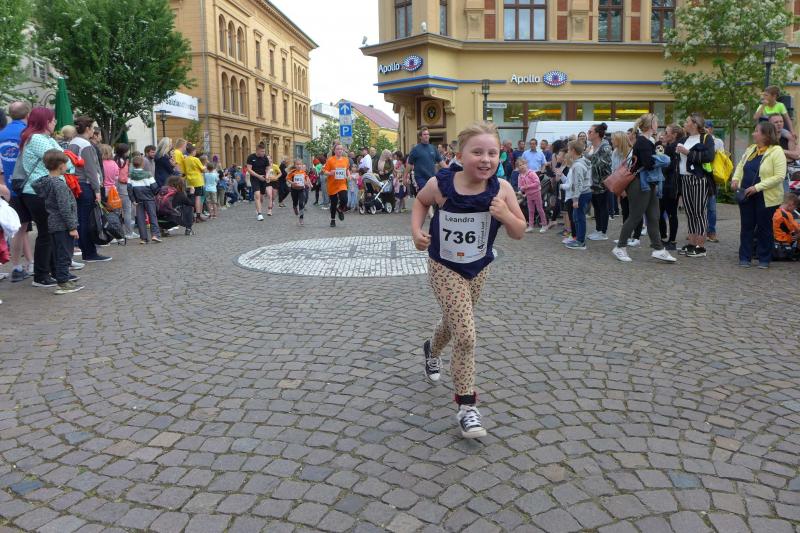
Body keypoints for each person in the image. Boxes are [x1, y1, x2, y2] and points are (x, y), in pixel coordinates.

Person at [411, 121, 526, 439]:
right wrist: (416, 232)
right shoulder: (441, 184)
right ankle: (467, 407)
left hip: (478, 268)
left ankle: (431, 350)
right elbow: (420, 201)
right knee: (465, 335)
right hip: (443, 266)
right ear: (460, 156)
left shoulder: (502, 189)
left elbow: (519, 231)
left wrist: (505, 215)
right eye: (477, 152)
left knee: (454, 322)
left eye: (492, 153)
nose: (486, 159)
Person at [611, 113, 676, 263]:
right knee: (635, 216)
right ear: (650, 125)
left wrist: (658, 158)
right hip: (640, 183)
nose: (658, 124)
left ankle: (658, 249)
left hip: (648, 183)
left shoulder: (646, 141)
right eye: (656, 122)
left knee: (653, 216)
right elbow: (648, 163)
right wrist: (664, 160)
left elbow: (650, 161)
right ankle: (620, 247)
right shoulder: (643, 142)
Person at [732, 121, 787, 268]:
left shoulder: (777, 151)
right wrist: (735, 179)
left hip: (766, 197)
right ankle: (745, 257)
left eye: (756, 131)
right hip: (746, 194)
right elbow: (741, 166)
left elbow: (779, 176)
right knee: (747, 226)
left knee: (764, 228)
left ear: (765, 135)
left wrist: (757, 187)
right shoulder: (751, 149)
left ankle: (764, 258)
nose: (753, 133)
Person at [31, 150, 83, 294]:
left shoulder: (47, 182)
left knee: (58, 253)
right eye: (66, 164)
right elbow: (64, 207)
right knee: (64, 255)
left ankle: (63, 279)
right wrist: (72, 227)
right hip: (62, 225)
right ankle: (63, 283)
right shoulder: (59, 185)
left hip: (53, 223)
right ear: (60, 166)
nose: (67, 166)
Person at [68, 116, 110, 263]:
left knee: (81, 219)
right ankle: (89, 252)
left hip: (76, 184)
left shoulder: (72, 142)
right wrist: (97, 190)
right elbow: (91, 169)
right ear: (87, 129)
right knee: (87, 220)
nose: (93, 131)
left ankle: (85, 249)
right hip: (85, 184)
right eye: (92, 128)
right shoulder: (85, 145)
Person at [0, 101, 34, 282]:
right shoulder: (28, 133)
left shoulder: (1, 134)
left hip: (6, 186)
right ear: (27, 114)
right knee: (20, 228)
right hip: (25, 186)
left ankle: (30, 262)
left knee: (22, 227)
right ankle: (16, 267)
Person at [676, 113, 716, 257]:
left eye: (687, 121)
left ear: (695, 124)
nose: (684, 123)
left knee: (699, 212)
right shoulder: (684, 139)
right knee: (690, 212)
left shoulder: (706, 138)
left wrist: (687, 152)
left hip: (698, 179)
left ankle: (700, 246)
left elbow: (709, 157)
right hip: (684, 178)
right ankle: (692, 243)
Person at [563, 141, 592, 250]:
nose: (568, 152)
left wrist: (575, 199)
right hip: (585, 192)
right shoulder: (582, 161)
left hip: (582, 194)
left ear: (573, 151)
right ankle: (579, 239)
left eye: (569, 149)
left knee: (579, 218)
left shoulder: (578, 165)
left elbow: (578, 183)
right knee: (577, 217)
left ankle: (581, 242)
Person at [586, 122, 613, 241]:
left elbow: (600, 164)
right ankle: (598, 229)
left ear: (597, 134)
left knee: (603, 207)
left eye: (590, 132)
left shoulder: (605, 147)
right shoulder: (591, 147)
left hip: (602, 183)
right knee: (596, 207)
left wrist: (587, 156)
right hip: (592, 183)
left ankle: (603, 232)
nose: (588, 133)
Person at [659, 124, 683, 251]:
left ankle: (670, 240)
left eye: (667, 132)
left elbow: (669, 166)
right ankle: (666, 239)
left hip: (670, 185)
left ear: (674, 135)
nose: (664, 134)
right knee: (666, 212)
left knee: (669, 212)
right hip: (671, 184)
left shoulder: (672, 148)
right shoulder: (674, 146)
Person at [129, 154, 162, 244]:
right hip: (149, 198)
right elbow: (154, 187)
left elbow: (129, 188)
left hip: (138, 199)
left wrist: (132, 200)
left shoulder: (130, 175)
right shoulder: (148, 174)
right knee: (152, 216)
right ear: (143, 164)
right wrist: (155, 194)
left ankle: (143, 238)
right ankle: (155, 235)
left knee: (140, 218)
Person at [703, 120, 725, 243]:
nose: (705, 129)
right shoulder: (699, 139)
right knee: (699, 206)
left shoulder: (718, 141)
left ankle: (711, 231)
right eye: (704, 127)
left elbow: (721, 158)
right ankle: (698, 231)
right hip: (701, 175)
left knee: (711, 207)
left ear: (711, 129)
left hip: (712, 176)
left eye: (707, 127)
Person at [323, 143, 350, 227]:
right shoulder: (330, 160)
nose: (339, 150)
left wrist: (348, 175)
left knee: (344, 199)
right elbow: (324, 171)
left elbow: (347, 169)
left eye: (341, 149)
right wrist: (330, 173)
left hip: (342, 183)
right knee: (333, 203)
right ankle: (333, 220)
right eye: (338, 149)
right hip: (332, 184)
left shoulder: (346, 160)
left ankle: (340, 209)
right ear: (334, 151)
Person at [408, 127, 443, 192]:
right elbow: (409, 164)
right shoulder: (415, 149)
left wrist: (450, 170)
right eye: (424, 134)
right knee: (426, 193)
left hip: (432, 178)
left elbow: (441, 162)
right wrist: (405, 177)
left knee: (432, 195)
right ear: (420, 137)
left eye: (427, 134)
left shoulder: (433, 148)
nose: (426, 136)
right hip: (420, 178)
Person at [518, 159, 548, 233]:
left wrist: (527, 186)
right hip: (528, 195)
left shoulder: (531, 173)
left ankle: (544, 225)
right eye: (520, 165)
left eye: (523, 164)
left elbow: (537, 182)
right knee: (531, 210)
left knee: (539, 209)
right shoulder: (520, 176)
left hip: (536, 193)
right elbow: (520, 187)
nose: (522, 166)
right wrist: (522, 189)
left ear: (526, 164)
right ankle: (531, 226)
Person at [245, 143, 272, 220]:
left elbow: (268, 168)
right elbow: (249, 169)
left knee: (261, 197)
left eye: (264, 151)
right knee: (257, 195)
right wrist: (258, 176)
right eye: (262, 151)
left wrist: (267, 176)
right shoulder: (251, 157)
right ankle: (259, 214)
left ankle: (258, 208)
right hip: (254, 178)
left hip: (263, 178)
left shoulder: (265, 158)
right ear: (257, 151)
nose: (263, 153)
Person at [772, 192, 799, 259]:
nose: (794, 209)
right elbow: (795, 227)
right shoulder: (787, 214)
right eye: (794, 207)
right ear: (791, 204)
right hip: (785, 239)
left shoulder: (776, 212)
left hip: (776, 238)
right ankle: (798, 252)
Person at [183, 144, 205, 222]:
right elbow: (203, 169)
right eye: (195, 151)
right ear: (193, 151)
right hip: (197, 180)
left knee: (191, 197)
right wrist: (205, 167)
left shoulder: (185, 159)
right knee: (197, 198)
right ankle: (198, 215)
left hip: (189, 181)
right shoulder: (196, 159)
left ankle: (191, 215)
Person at [286, 159, 310, 225]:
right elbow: (287, 179)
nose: (299, 166)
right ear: (295, 165)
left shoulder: (303, 172)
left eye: (300, 164)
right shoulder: (292, 172)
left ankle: (301, 218)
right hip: (294, 190)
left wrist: (306, 183)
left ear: (302, 165)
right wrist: (292, 183)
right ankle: (294, 207)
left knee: (301, 203)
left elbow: (306, 179)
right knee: (295, 202)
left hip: (301, 189)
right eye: (297, 164)